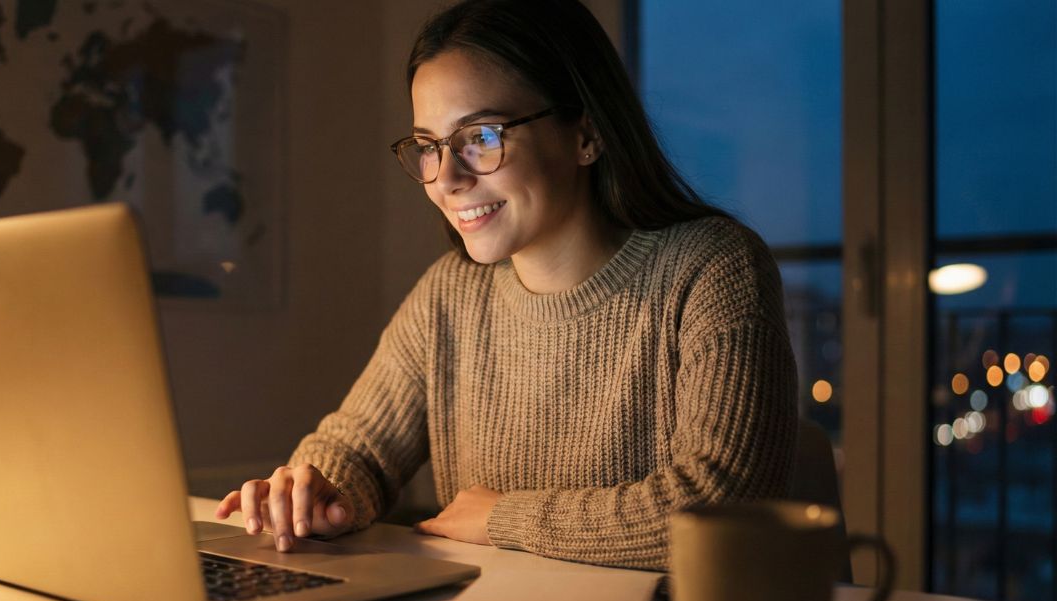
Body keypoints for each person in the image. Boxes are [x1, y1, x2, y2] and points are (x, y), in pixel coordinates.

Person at [216, 0, 797, 571]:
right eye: (429, 147)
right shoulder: (451, 295)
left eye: (482, 138)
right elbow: (358, 447)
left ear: (586, 135)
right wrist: (316, 491)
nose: (447, 179)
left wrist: (505, 520)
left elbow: (722, 504)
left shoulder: (712, 267)